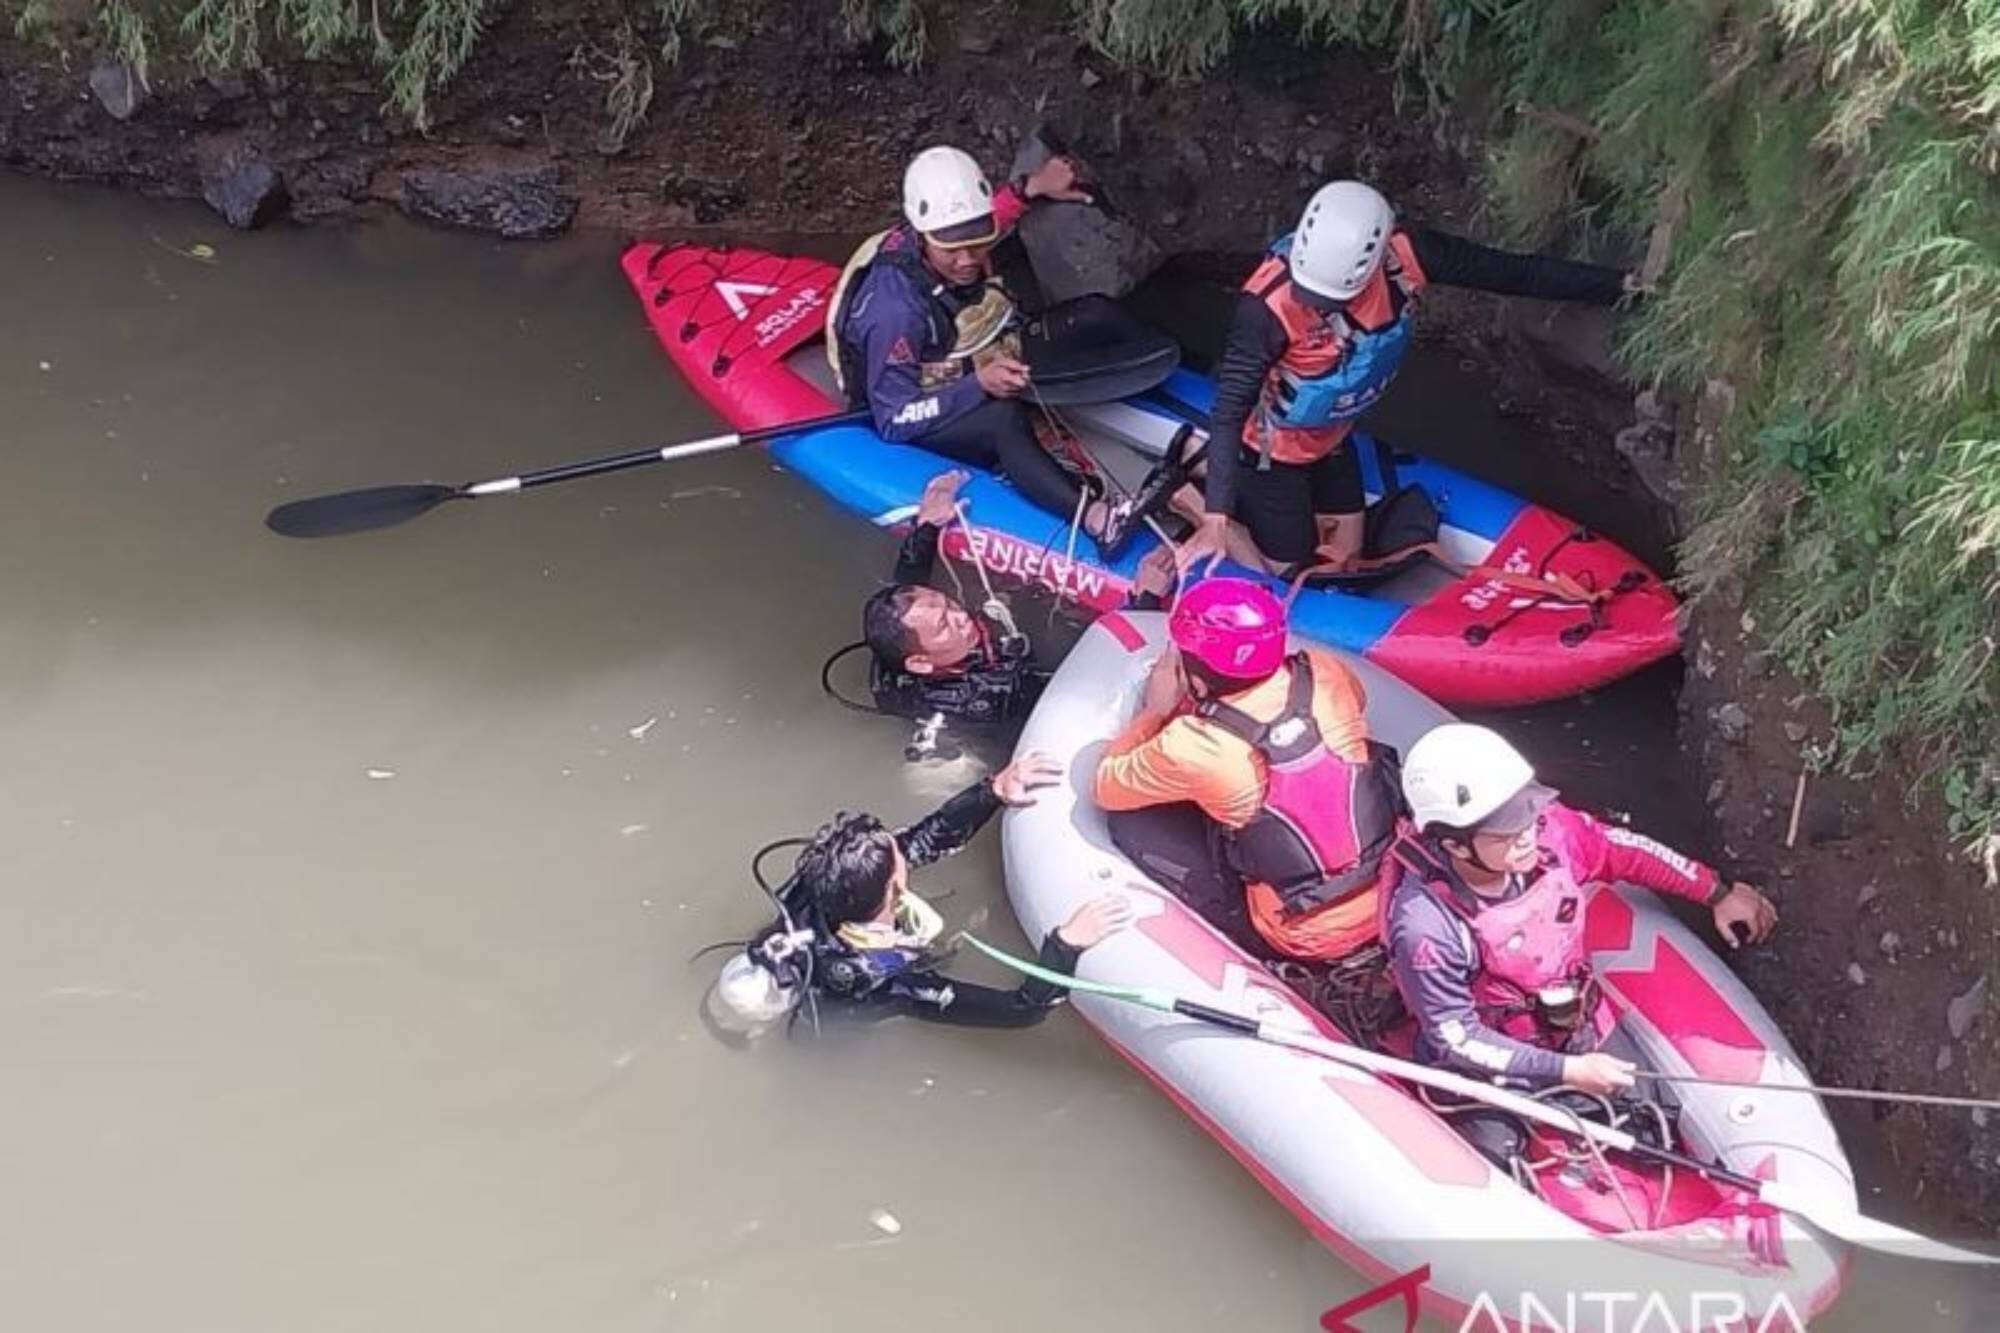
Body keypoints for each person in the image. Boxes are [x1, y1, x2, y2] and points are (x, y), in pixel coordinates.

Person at [1177, 181, 1642, 578]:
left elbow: (1516, 273)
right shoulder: (1265, 309)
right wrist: (1218, 515)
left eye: (1327, 298)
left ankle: (1225, 495)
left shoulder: (1409, 257)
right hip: (1267, 453)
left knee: (1344, 557)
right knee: (1290, 568)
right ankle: (1198, 502)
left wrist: (1620, 286)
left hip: (1332, 437)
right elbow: (1230, 407)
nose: (1312, 303)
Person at [1381, 722, 1780, 1167]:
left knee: (1657, 1125)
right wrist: (1566, 1072)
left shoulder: (1553, 836)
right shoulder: (1425, 926)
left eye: (1527, 815)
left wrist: (1717, 893)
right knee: (1495, 1158)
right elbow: (1455, 1037)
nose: (1528, 833)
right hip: (1490, 1061)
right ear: (1455, 844)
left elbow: (1626, 850)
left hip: (1574, 1024)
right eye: (1506, 832)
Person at [828, 145, 1180, 554]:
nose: (967, 260)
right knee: (1002, 418)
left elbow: (989, 214)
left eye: (976, 245)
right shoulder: (895, 310)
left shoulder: (958, 227)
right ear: (923, 235)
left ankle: (1171, 406)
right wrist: (980, 386)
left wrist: (1035, 186)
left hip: (979, 352)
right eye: (951, 251)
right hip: (923, 398)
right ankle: (1097, 520)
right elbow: (893, 418)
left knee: (1096, 313)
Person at [1091, 577, 1402, 963]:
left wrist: (1155, 710)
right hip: (1394, 887)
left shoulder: (1192, 744)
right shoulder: (1326, 673)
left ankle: (1252, 951)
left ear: (1199, 681)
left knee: (1131, 824)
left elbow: (1105, 785)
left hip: (1300, 933)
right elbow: (1359, 700)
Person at [711, 750, 1131, 1030]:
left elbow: (920, 841)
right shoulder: (883, 982)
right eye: (900, 860)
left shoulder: (819, 883)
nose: (906, 851)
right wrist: (1065, 944)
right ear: (895, 885)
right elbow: (1022, 1011)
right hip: (840, 1021)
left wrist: (991, 793)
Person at [854, 469, 1182, 747]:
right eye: (944, 626)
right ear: (921, 664)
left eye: (947, 604)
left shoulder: (912, 632)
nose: (959, 615)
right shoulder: (987, 696)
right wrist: (1145, 600)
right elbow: (1089, 679)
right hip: (1016, 718)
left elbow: (910, 584)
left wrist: (926, 527)